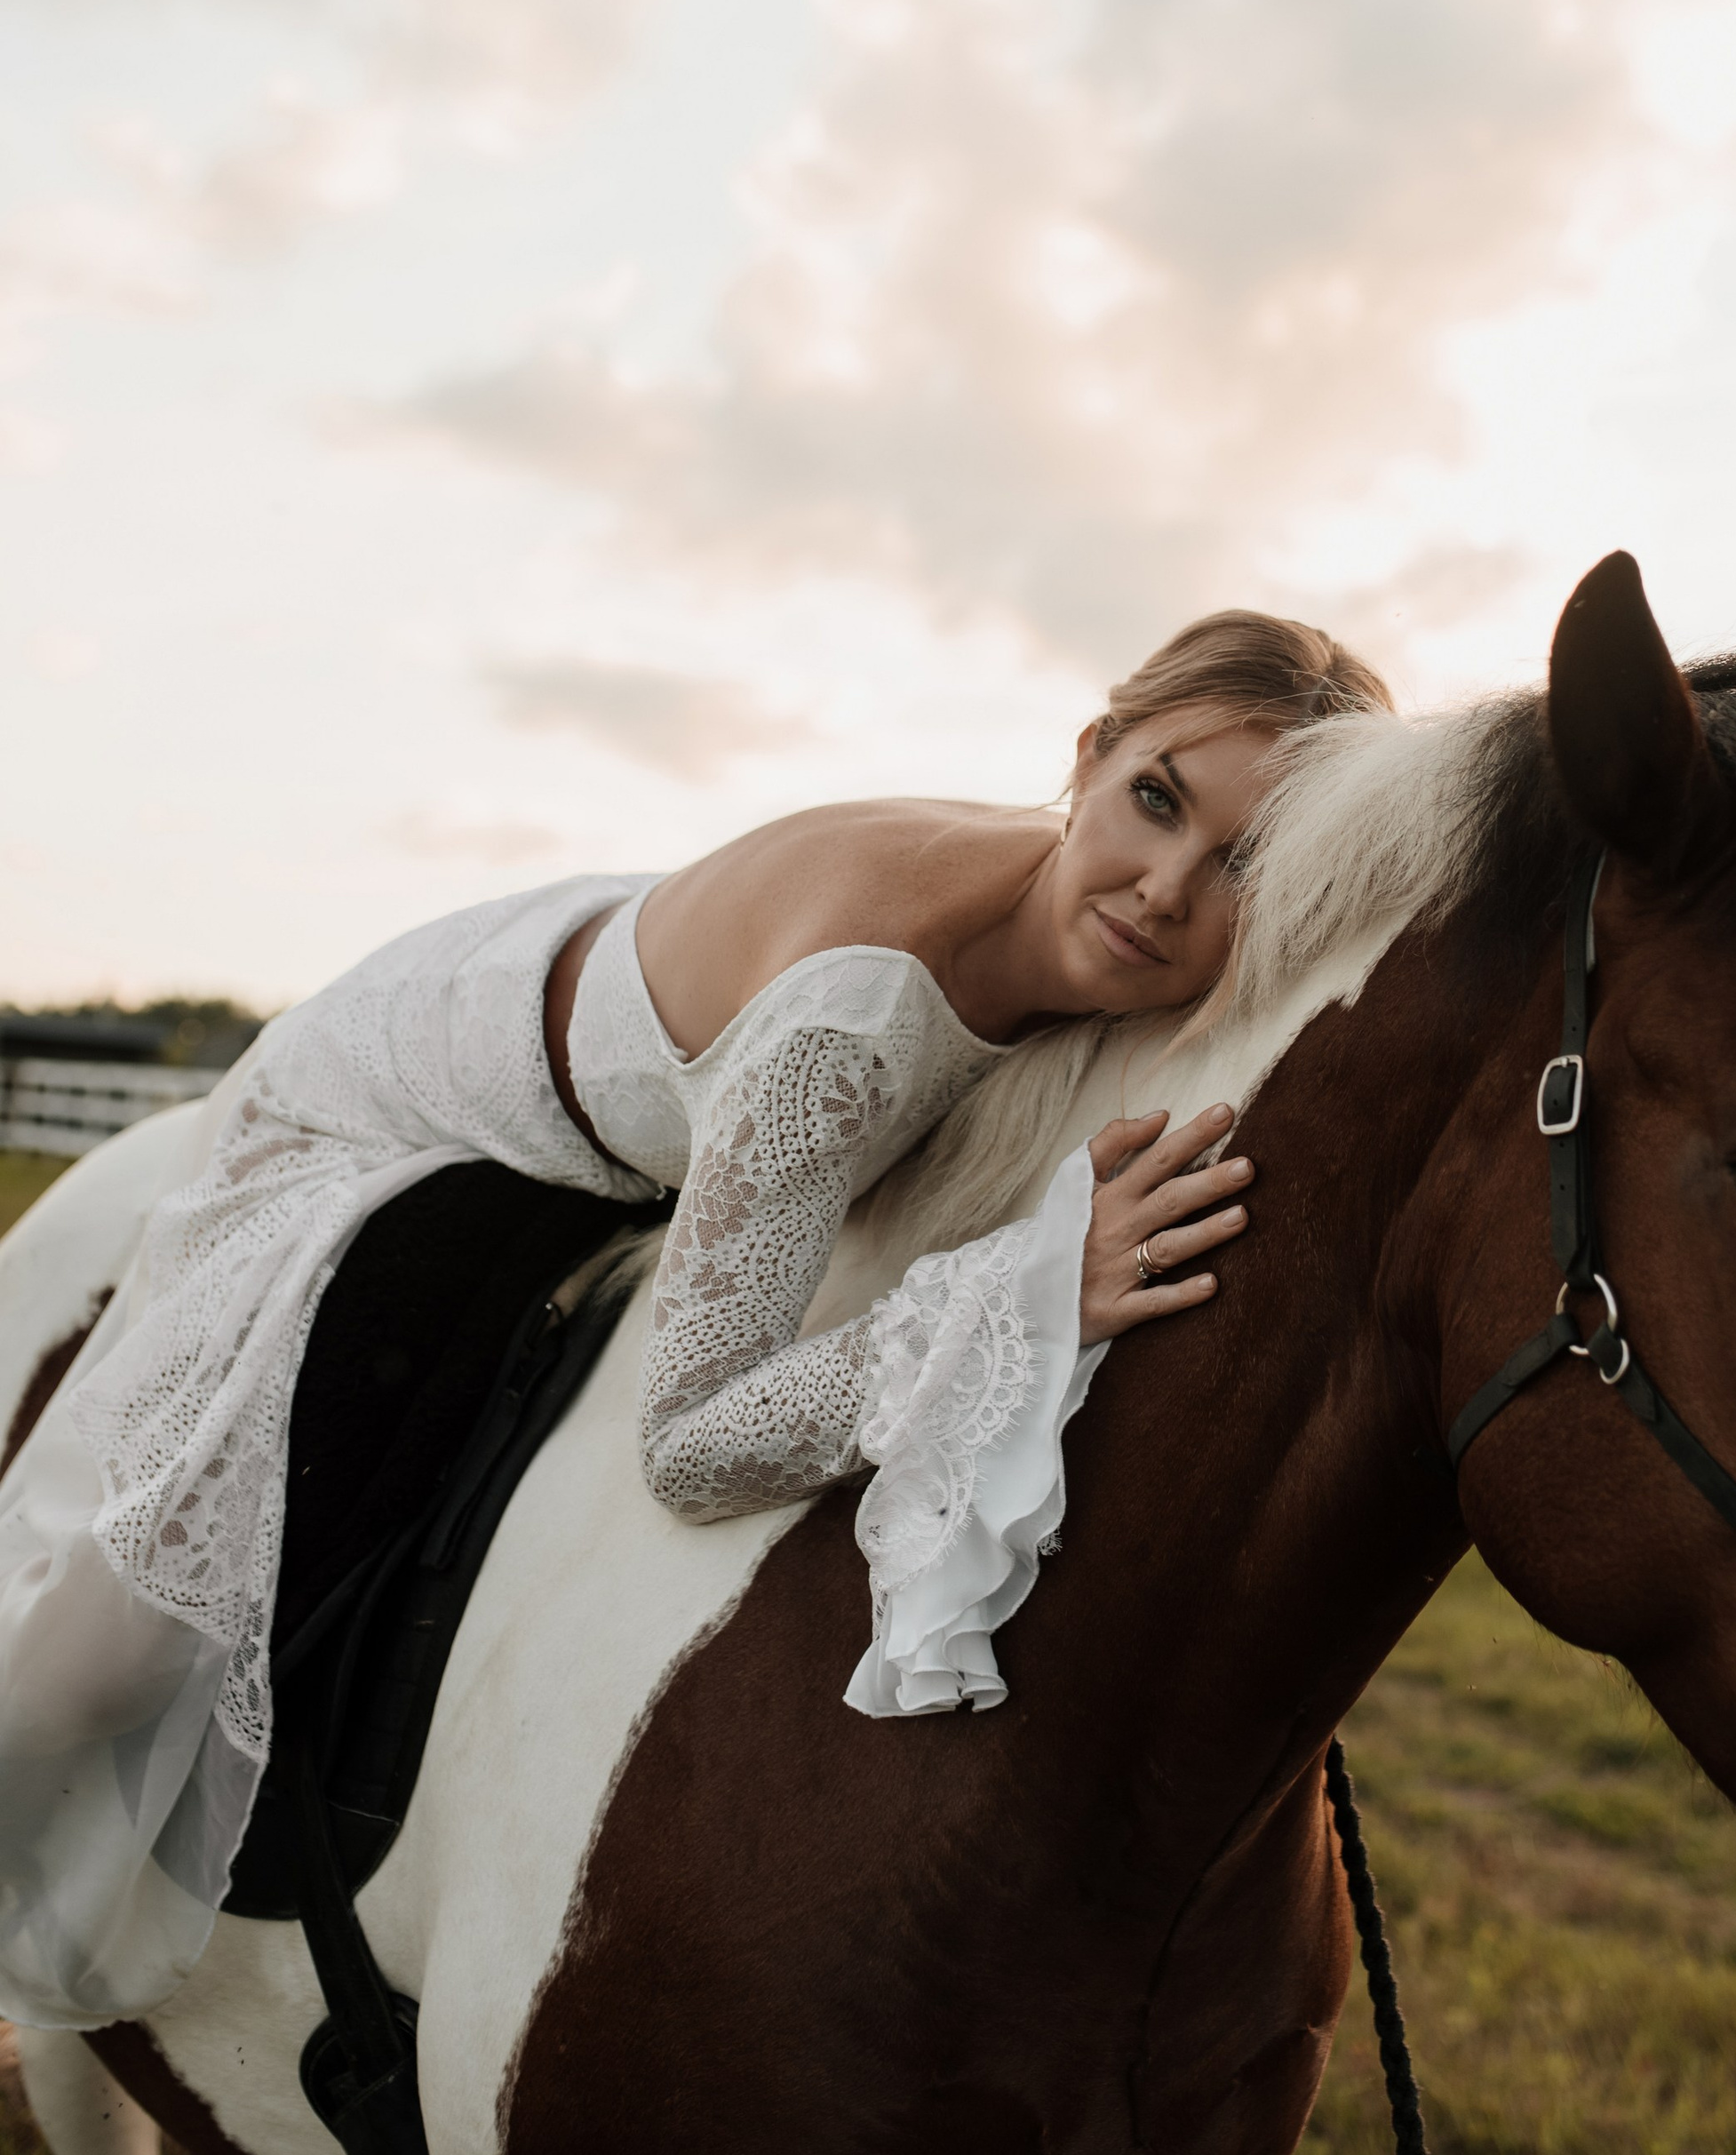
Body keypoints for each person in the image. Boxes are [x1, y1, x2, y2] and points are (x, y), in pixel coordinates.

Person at [0, 611, 1391, 2027]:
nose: (1164, 890)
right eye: (1157, 802)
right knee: (91, 1670)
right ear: (1090, 756)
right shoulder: (851, 1021)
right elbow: (691, 1444)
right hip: (381, 1102)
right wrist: (1027, 1300)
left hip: (597, 995)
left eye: (1241, 867)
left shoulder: (1079, 918)